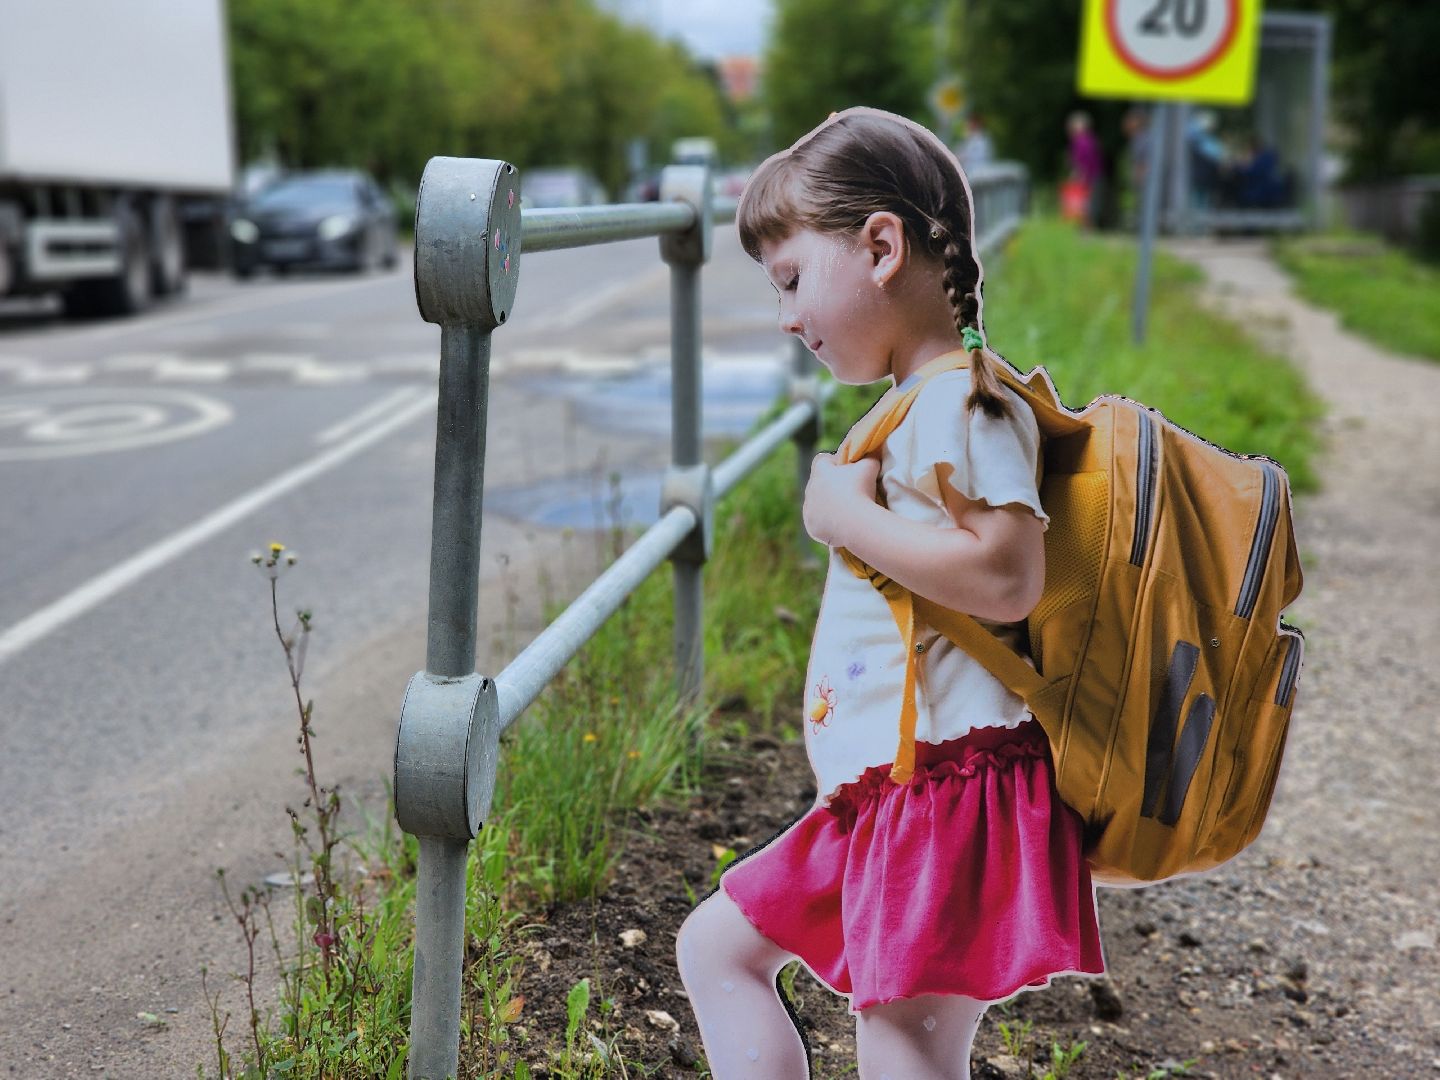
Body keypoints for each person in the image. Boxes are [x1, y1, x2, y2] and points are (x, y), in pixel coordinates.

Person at [675, 106, 1105, 1080]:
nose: (787, 318)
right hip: (894, 792)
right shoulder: (923, 405)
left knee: (901, 1047)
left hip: (945, 791)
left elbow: (1007, 575)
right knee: (719, 950)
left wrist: (845, 518)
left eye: (792, 280)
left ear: (880, 248)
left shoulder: (962, 402)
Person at [1065, 110, 1105, 228]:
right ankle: (1086, 227)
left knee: (1084, 203)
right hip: (1093, 175)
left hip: (1087, 176)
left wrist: (1079, 174)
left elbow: (1084, 161)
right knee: (1087, 203)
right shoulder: (1089, 139)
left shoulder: (1082, 141)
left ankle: (1086, 228)